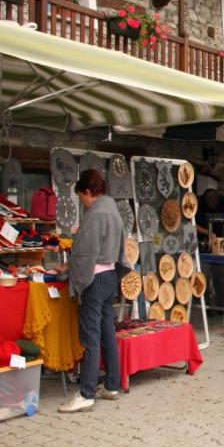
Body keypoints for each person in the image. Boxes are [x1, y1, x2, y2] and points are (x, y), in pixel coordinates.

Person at [56, 169, 129, 413]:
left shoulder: (95, 214)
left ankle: (86, 392)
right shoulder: (113, 211)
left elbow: (84, 253)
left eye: (82, 197)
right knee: (107, 331)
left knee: (91, 335)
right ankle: (111, 384)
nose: (82, 202)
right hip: (109, 275)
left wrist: (68, 269)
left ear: (88, 192)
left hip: (94, 278)